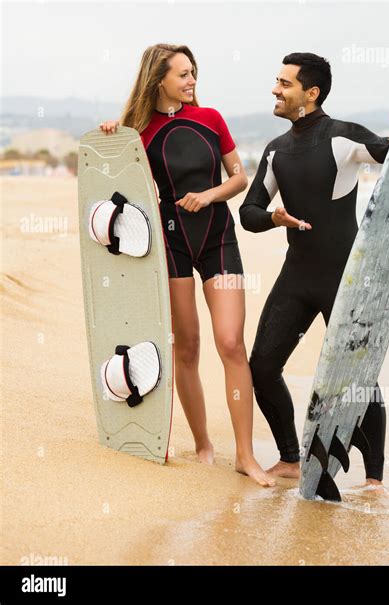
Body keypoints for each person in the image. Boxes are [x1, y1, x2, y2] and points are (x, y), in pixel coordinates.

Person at [239, 52, 389, 486]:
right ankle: (291, 458)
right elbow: (248, 212)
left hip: (346, 279)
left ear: (312, 93)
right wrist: (274, 218)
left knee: (360, 377)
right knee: (263, 367)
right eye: (276, 80)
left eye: (284, 83)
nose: (275, 89)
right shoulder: (276, 150)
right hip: (298, 276)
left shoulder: (343, 137)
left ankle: (374, 480)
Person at [100, 43, 275, 487]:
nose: (192, 80)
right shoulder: (138, 132)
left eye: (193, 71)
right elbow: (109, 179)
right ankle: (202, 443)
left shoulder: (211, 119)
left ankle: (245, 455)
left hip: (219, 239)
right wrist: (111, 135)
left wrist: (209, 195)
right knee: (188, 348)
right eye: (182, 74)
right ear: (158, 78)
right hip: (171, 245)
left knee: (232, 343)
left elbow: (239, 177)